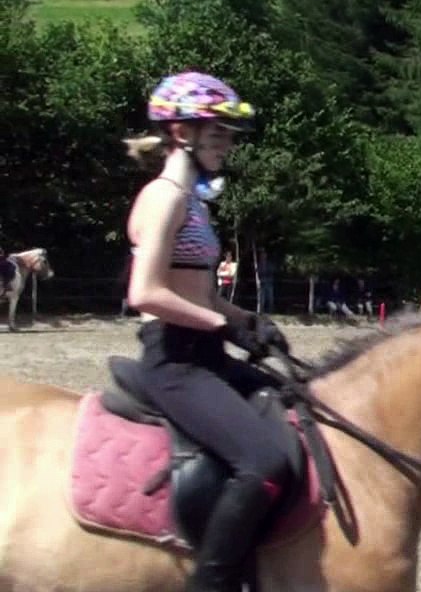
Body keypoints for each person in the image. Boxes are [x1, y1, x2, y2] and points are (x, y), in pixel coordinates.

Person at [122, 71, 293, 592]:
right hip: (175, 361)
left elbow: (201, 291)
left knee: (294, 400)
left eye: (229, 135)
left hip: (206, 353)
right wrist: (221, 324)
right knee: (263, 462)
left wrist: (247, 321)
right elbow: (145, 293)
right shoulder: (164, 198)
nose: (227, 145)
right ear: (181, 134)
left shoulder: (193, 201)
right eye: (217, 133)